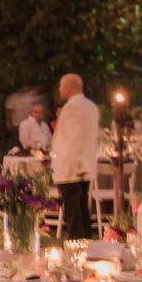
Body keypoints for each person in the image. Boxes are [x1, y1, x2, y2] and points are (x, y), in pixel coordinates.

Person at [50, 73, 98, 239]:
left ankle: (76, 248)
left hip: (69, 168)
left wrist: (55, 159)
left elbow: (70, 140)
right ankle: (86, 244)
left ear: (69, 87)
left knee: (73, 213)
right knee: (82, 210)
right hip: (85, 166)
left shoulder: (71, 108)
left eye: (61, 86)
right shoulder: (91, 107)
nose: (59, 89)